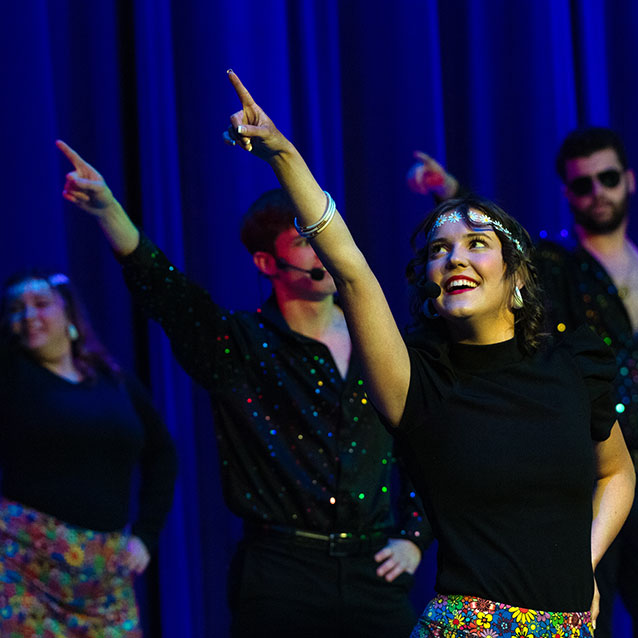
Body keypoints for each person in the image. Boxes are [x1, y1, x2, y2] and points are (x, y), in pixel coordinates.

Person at [223, 70, 636, 638]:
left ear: (516, 278)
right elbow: (349, 267)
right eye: (440, 250)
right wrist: (283, 154)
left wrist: (579, 564)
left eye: (477, 244)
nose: (455, 258)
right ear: (433, 285)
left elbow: (616, 473)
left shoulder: (572, 364)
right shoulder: (420, 379)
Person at [57, 141, 431, 638]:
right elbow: (167, 291)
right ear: (266, 262)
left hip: (374, 570)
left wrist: (415, 535)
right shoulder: (239, 346)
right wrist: (107, 209)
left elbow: (426, 439)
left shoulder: (380, 337)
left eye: (319, 231)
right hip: (282, 573)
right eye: (302, 238)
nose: (319, 246)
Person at [408, 127, 638, 638]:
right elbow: (494, 268)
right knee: (581, 616)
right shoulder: (555, 266)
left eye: (608, 178)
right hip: (573, 479)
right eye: (583, 185)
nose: (597, 192)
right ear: (567, 194)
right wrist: (453, 196)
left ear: (630, 181)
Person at [0, 269, 177, 637]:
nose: (29, 316)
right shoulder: (12, 376)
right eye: (16, 309)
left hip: (105, 574)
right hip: (24, 568)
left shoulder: (114, 382)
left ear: (68, 311)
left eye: (41, 304)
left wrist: (146, 535)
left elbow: (162, 454)